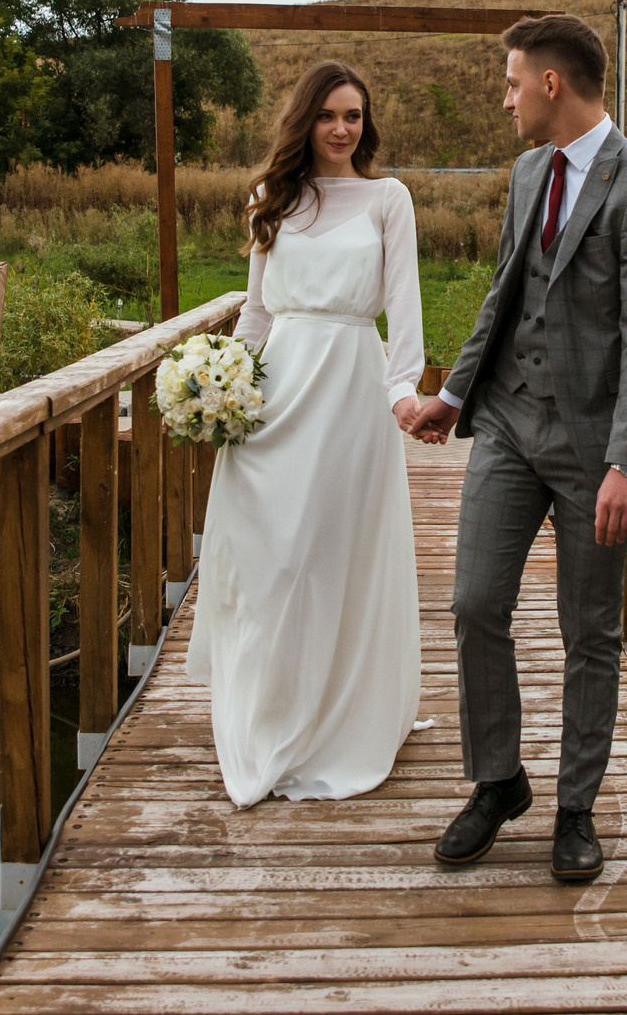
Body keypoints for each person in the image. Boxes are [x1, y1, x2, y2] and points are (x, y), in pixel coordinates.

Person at [406, 13, 627, 883]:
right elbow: (505, 292)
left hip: (596, 448)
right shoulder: (529, 173)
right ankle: (499, 780)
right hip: (509, 428)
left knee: (588, 631)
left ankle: (575, 807)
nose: (506, 98)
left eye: (512, 81)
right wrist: (452, 396)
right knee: (475, 601)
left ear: (552, 84)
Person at [185, 59, 428, 808]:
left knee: (334, 551)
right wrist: (227, 384)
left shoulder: (389, 198)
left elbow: (403, 304)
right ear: (305, 119)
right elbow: (256, 311)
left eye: (353, 114)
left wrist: (403, 389)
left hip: (353, 387)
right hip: (278, 391)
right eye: (328, 114)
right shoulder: (272, 198)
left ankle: (343, 716)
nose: (341, 127)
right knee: (272, 557)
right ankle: (272, 708)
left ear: (366, 121)